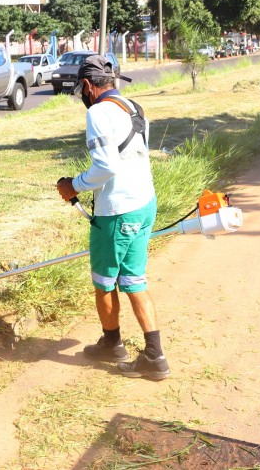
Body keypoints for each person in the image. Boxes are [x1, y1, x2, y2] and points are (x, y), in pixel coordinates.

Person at [56, 54, 170, 380]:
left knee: (105, 283)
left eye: (82, 90)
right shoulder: (132, 106)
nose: (83, 96)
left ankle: (112, 344)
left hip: (118, 211)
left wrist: (72, 185)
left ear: (89, 86)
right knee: (134, 280)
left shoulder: (98, 112)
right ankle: (154, 356)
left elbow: (106, 166)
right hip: (144, 203)